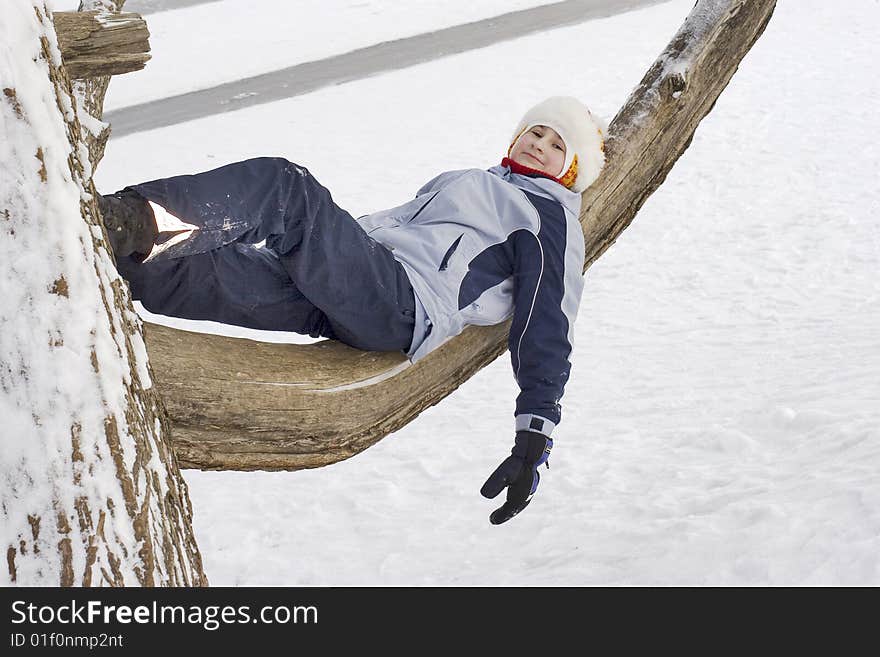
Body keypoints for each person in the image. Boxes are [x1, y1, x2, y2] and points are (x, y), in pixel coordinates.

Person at [98, 96, 607, 525]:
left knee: (286, 188)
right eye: (535, 132)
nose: (539, 143)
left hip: (400, 300)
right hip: (356, 287)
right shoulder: (478, 181)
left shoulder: (548, 222)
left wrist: (534, 437)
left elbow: (548, 324)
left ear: (574, 169)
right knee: (207, 269)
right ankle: (102, 258)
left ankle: (126, 220)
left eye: (557, 144)